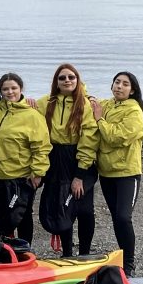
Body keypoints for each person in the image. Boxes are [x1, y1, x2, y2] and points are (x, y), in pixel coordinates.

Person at [36, 64, 99, 257]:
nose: (67, 81)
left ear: (77, 80)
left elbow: (89, 138)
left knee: (84, 209)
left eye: (71, 77)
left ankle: (85, 253)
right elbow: (26, 112)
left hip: (79, 158)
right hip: (55, 157)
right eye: (62, 78)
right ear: (56, 81)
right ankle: (67, 253)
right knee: (61, 205)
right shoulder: (45, 102)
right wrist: (24, 100)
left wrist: (80, 175)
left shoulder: (85, 104)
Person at [90, 71, 143, 277]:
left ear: (132, 90)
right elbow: (89, 101)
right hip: (106, 173)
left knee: (124, 217)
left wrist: (99, 120)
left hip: (127, 173)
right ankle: (123, 258)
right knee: (116, 218)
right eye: (117, 82)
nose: (119, 86)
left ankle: (129, 264)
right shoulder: (108, 104)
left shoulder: (134, 111)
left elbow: (117, 137)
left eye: (125, 84)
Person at [0, 73, 51, 245]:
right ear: (0, 91)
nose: (10, 92)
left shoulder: (32, 115)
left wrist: (38, 172)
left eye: (14, 88)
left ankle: (24, 249)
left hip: (21, 176)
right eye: (5, 89)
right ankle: (7, 247)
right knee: (0, 216)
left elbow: (41, 146)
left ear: (21, 89)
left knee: (22, 215)